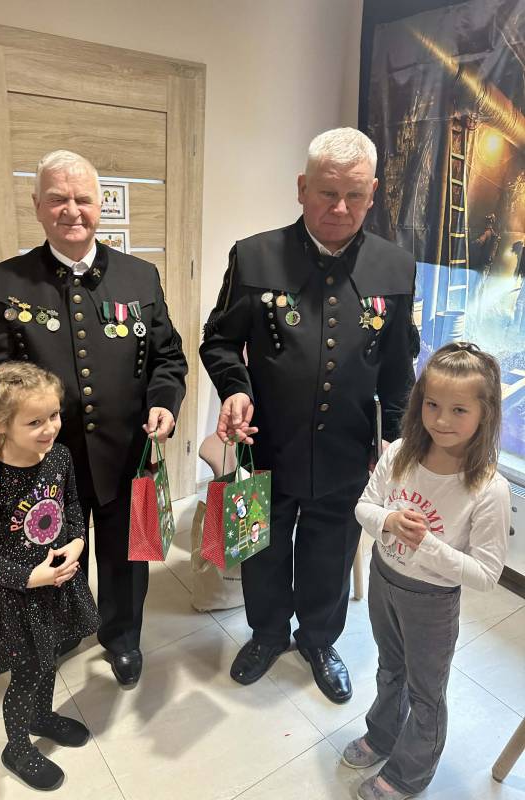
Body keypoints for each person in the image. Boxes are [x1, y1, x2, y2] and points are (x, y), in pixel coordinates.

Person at [200, 128, 418, 702]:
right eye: (327, 193)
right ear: (302, 188)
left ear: (372, 194)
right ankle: (267, 634)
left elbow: (398, 367)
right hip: (263, 443)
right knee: (260, 547)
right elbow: (219, 342)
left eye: (354, 195)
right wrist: (234, 388)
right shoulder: (254, 256)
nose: (339, 208)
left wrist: (398, 444)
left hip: (349, 449)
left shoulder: (396, 267)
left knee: (331, 551)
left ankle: (320, 640)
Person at [0, 150, 187, 686]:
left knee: (127, 553)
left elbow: (168, 357)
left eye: (83, 198)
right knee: (55, 547)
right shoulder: (6, 281)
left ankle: (122, 636)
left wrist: (164, 401)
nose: (72, 210)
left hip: (127, 447)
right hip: (42, 460)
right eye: (57, 198)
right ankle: (63, 630)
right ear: (37, 205)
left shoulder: (140, 277)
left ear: (100, 204)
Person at [343, 342, 510, 800]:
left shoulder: (488, 489)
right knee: (389, 668)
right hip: (384, 580)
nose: (441, 420)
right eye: (432, 404)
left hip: (432, 603)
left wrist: (429, 546)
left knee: (426, 693)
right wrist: (387, 521)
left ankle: (408, 775)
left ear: (485, 414)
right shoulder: (400, 454)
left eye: (459, 410)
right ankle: (382, 735)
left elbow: (486, 574)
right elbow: (364, 507)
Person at [0, 362, 100, 791]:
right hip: (18, 599)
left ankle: (41, 716)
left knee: (50, 656)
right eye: (35, 421)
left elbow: (71, 504)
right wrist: (27, 578)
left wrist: (77, 542)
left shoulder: (59, 456)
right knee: (27, 674)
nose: (50, 428)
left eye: (54, 415)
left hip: (58, 585)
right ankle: (17, 748)